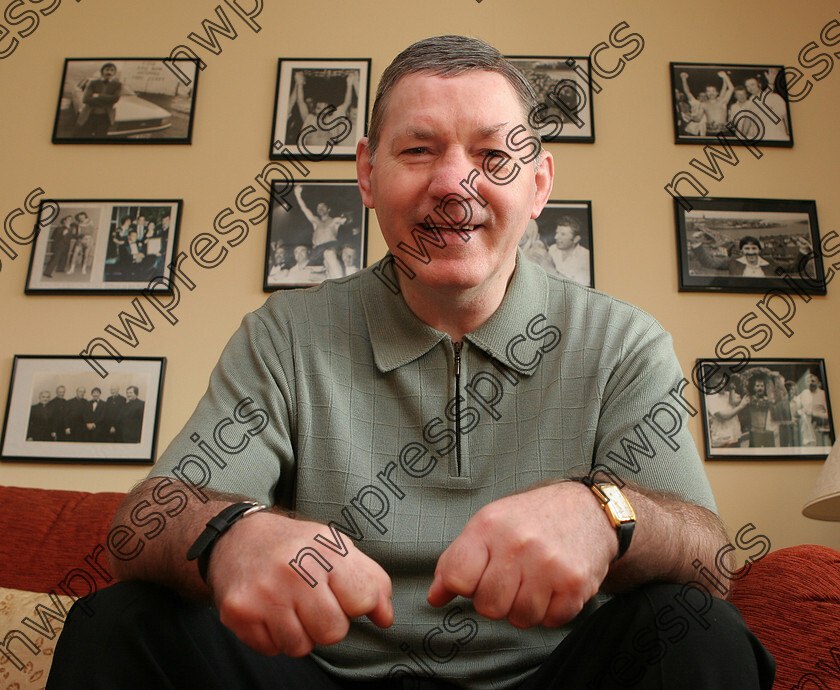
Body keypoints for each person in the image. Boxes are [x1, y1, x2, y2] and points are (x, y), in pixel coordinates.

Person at [48, 36, 774, 690]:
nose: (454, 186)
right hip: (321, 676)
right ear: (367, 174)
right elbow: (140, 526)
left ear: (539, 185)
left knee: (699, 630)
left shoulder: (622, 341)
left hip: (552, 678)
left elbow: (711, 563)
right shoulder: (286, 333)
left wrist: (604, 511)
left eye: (493, 157)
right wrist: (228, 535)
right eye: (419, 150)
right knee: (121, 620)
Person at [294, 185, 348, 279]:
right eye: (318, 207)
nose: (320, 209)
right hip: (317, 251)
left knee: (329, 254)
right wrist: (297, 195)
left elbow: (347, 220)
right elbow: (305, 209)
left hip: (331, 247)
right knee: (309, 274)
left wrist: (347, 218)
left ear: (328, 209)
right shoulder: (316, 222)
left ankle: (341, 282)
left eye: (323, 207)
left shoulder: (335, 221)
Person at [73, 62, 122, 138]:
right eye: (107, 70)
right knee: (85, 135)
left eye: (112, 70)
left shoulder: (118, 84)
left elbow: (115, 98)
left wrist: (98, 96)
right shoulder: (93, 83)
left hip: (105, 117)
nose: (109, 72)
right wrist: (107, 101)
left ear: (114, 73)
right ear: (102, 71)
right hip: (90, 115)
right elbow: (86, 99)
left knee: (101, 137)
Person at [679, 70, 733, 135]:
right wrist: (690, 117)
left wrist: (725, 77)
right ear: (706, 93)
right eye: (708, 91)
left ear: (717, 93)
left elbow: (731, 89)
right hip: (710, 133)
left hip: (724, 132)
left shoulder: (722, 102)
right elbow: (698, 118)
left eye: (713, 91)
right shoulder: (703, 104)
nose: (711, 93)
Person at [547, 216, 590, 286]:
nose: (556, 237)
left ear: (576, 239)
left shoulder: (585, 256)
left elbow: (579, 288)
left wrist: (552, 270)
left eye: (562, 234)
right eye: (556, 233)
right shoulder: (552, 249)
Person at [745, 72, 789, 141]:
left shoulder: (775, 97)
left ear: (759, 84)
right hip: (761, 139)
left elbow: (785, 116)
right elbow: (747, 122)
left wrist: (789, 134)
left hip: (778, 137)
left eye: (752, 85)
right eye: (747, 86)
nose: (750, 88)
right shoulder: (749, 102)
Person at [707, 382, 750, 447]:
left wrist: (733, 388)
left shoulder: (729, 394)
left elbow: (739, 400)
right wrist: (741, 406)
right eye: (719, 383)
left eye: (723, 383)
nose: (722, 385)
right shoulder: (710, 398)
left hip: (735, 437)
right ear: (712, 384)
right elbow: (724, 416)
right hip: (721, 441)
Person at [795, 373, 830, 447]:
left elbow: (830, 416)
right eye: (808, 381)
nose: (810, 383)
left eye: (813, 381)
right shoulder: (804, 394)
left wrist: (814, 414)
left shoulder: (823, 395)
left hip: (820, 429)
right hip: (806, 430)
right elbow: (796, 409)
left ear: (818, 383)